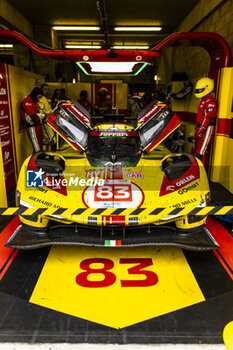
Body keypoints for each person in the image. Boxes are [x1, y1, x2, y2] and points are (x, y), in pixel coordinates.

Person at [193, 77, 217, 166]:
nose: (198, 91)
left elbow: (208, 118)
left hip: (207, 128)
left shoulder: (210, 101)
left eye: (200, 90)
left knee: (200, 152)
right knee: (196, 151)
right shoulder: (204, 100)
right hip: (200, 128)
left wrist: (201, 130)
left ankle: (201, 175)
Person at [21, 87, 47, 152]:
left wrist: (40, 116)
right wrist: (39, 116)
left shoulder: (34, 102)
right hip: (32, 128)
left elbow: (43, 115)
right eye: (39, 97)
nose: (40, 100)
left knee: (39, 149)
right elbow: (34, 117)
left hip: (38, 127)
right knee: (37, 150)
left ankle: (38, 161)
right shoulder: (27, 102)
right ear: (35, 95)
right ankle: (37, 161)